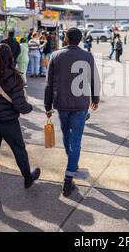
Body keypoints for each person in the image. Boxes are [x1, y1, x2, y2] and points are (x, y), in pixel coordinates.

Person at [0, 44, 40, 214]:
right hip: (8, 122)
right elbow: (21, 105)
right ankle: (27, 178)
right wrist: (30, 108)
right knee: (19, 151)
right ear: (10, 58)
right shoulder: (13, 77)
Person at [45, 28, 100, 197]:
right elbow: (94, 79)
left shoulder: (55, 55)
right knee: (76, 140)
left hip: (61, 103)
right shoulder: (88, 56)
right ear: (80, 40)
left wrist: (47, 105)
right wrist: (95, 98)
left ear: (66, 38)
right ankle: (69, 177)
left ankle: (72, 165)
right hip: (80, 103)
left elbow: (49, 83)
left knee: (67, 136)